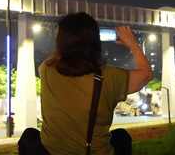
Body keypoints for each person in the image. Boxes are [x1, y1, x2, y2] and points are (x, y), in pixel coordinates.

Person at [18, 12, 153, 154]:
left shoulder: (47, 69)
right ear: (96, 41)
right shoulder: (111, 76)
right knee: (121, 137)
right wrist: (132, 43)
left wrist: (65, 43)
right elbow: (146, 75)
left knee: (30, 135)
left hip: (51, 152)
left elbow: (57, 55)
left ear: (61, 41)